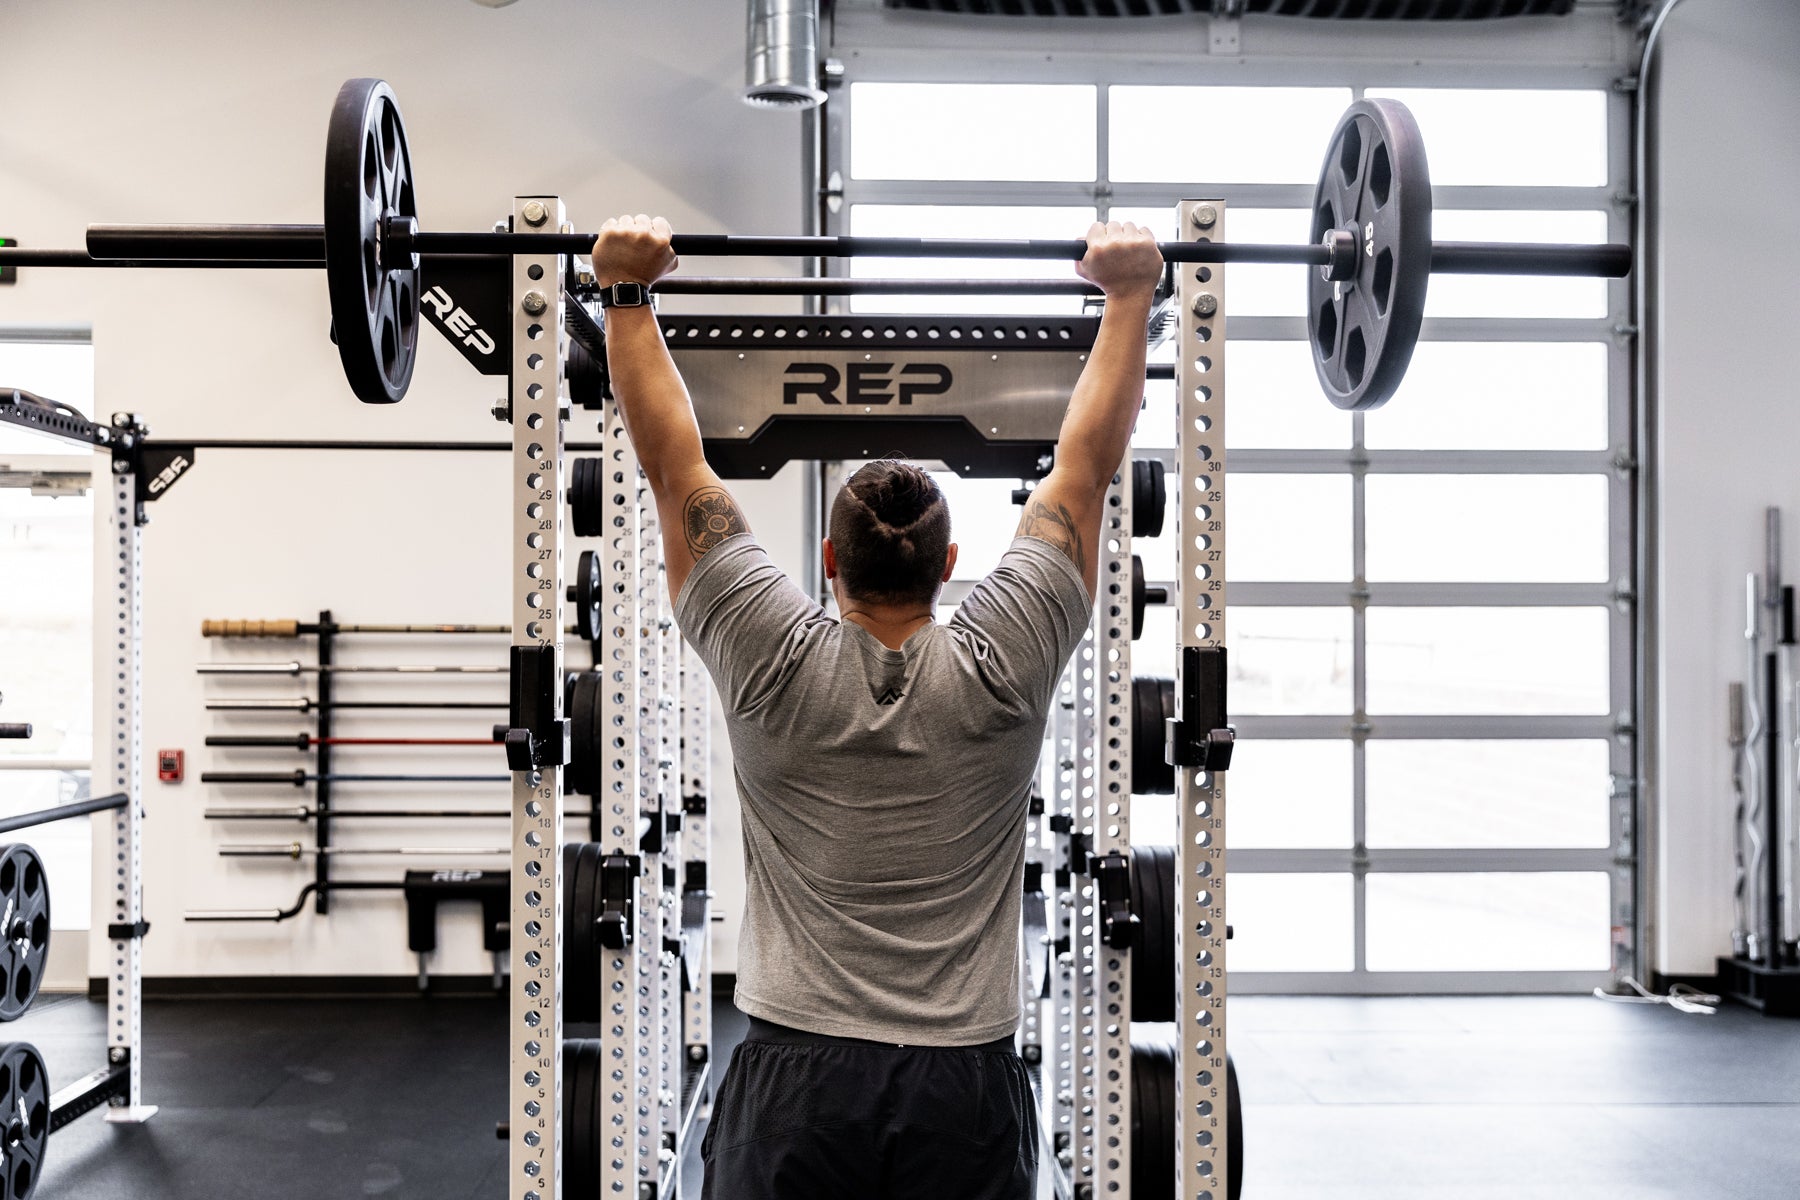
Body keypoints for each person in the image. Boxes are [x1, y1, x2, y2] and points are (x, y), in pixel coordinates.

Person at [591, 214, 1163, 1200]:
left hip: (790, 1078)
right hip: (965, 1081)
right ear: (950, 566)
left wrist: (629, 293)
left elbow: (673, 466)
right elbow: (1085, 470)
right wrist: (1130, 296)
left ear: (826, 563)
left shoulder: (771, 652)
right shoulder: (1004, 660)